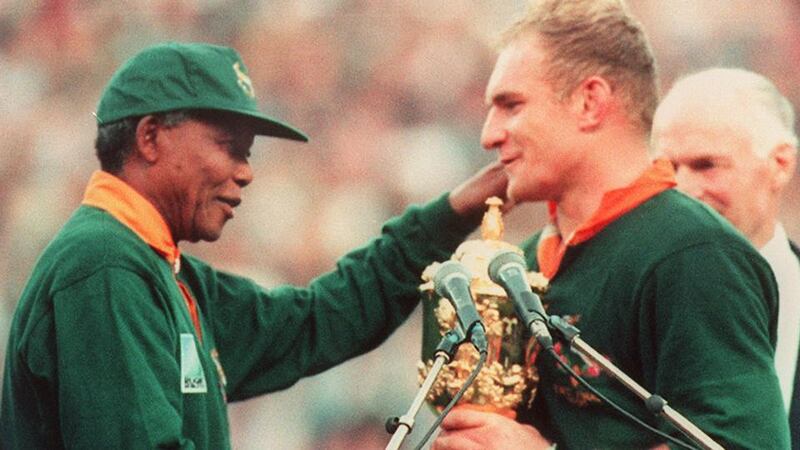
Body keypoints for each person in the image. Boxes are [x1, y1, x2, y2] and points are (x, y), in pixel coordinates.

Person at [0, 42, 509, 449]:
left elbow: (318, 320)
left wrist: (455, 211)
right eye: (230, 148)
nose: (245, 172)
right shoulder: (106, 267)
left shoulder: (162, 271)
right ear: (150, 137)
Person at [432, 1, 788, 449]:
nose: (489, 135)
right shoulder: (519, 265)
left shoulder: (694, 254)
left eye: (511, 105)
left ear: (590, 102)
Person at [651, 67, 800, 448]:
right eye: (668, 168)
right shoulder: (631, 299)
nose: (682, 189)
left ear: (780, 165)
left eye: (706, 165)